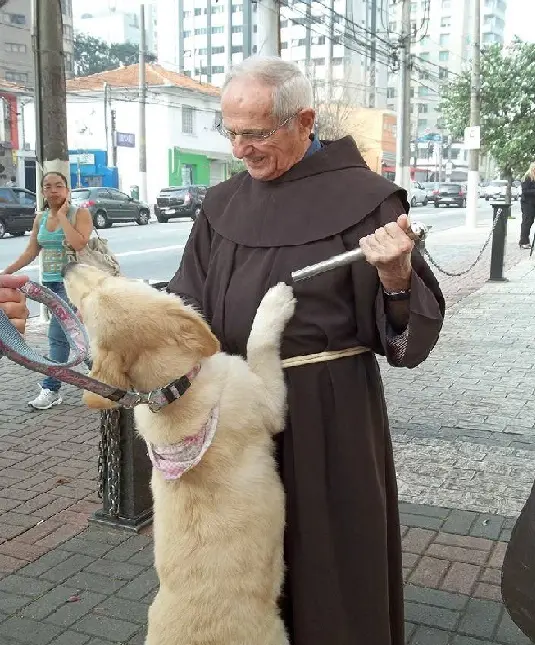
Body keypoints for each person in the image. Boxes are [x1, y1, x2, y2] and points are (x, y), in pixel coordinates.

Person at [167, 56, 445, 645]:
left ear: (304, 120)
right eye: (232, 132)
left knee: (327, 557)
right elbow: (184, 302)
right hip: (235, 410)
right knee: (235, 562)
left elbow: (409, 339)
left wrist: (396, 277)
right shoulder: (220, 205)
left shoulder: (368, 200)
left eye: (257, 132)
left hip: (326, 413)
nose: (241, 149)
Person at [1, 172, 93, 409]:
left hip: (73, 283)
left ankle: (51, 387)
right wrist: (6, 273)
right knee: (73, 336)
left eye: (59, 186)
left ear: (67, 189)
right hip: (50, 286)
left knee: (58, 336)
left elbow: (79, 243)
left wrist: (63, 217)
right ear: (42, 191)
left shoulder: (79, 213)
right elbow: (31, 252)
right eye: (48, 186)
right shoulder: (40, 218)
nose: (53, 190)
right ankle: (107, 376)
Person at [519, 162, 535, 249]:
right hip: (527, 204)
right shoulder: (526, 177)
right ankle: (523, 241)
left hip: (533, 203)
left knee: (530, 222)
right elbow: (525, 191)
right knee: (527, 222)